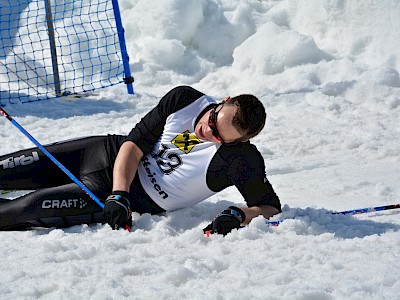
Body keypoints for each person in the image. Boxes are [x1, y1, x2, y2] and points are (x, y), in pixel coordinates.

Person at [0, 86, 281, 234]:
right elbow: (134, 145)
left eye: (219, 137)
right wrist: (119, 193)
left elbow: (270, 205)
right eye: (212, 121)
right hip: (103, 155)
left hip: (107, 196)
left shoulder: (241, 161)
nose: (207, 132)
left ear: (239, 142)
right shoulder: (185, 99)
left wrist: (241, 215)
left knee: (15, 211)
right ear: (223, 101)